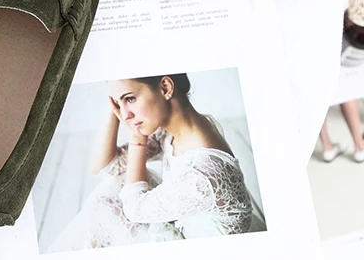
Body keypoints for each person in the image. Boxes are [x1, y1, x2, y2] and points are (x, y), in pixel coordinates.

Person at [51, 74, 254, 251]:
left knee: (103, 209)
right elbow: (106, 167)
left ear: (165, 87)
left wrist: (137, 139)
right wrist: (117, 104)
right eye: (119, 103)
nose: (125, 115)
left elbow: (134, 209)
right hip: (186, 226)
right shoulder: (178, 131)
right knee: (115, 183)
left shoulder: (202, 172)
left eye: (130, 99)